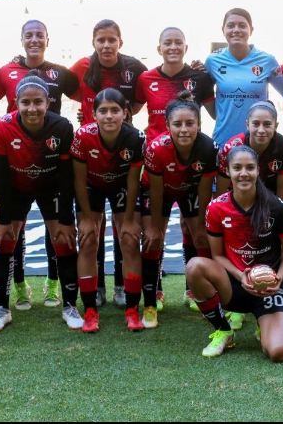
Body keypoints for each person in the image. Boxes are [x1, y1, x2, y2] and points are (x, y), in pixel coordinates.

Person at [0, 19, 80, 311]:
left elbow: (89, 94)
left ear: (47, 39)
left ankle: (54, 286)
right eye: (28, 35)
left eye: (39, 35)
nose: (34, 40)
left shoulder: (60, 74)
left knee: (59, 234)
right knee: (11, 234)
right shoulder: (5, 72)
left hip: (50, 161)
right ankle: (18, 288)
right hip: (16, 159)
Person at [186, 145, 283, 361]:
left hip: (268, 288)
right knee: (194, 267)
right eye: (237, 168)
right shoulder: (216, 208)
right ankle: (224, 330)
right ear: (228, 171)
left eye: (249, 168)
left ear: (258, 171)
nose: (243, 173)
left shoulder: (277, 207)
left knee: (279, 353)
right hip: (234, 284)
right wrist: (241, 276)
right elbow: (217, 256)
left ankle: (266, 323)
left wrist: (279, 278)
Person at [133, 27, 215, 309]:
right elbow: (127, 109)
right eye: (167, 42)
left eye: (178, 42)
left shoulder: (198, 78)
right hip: (157, 164)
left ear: (186, 46)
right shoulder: (145, 78)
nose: (173, 47)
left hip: (190, 163)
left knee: (194, 230)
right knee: (155, 230)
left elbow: (216, 111)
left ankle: (194, 289)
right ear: (159, 48)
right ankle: (154, 292)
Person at [70, 19, 147, 308]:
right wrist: (91, 118)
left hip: (121, 150)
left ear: (120, 42)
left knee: (125, 232)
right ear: (93, 42)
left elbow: (139, 100)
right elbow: (69, 90)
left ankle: (119, 286)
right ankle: (97, 286)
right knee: (91, 231)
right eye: (100, 40)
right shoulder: (81, 67)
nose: (106, 45)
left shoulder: (134, 68)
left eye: (111, 40)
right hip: (92, 152)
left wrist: (120, 117)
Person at [71, 88, 146, 333]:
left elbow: (133, 180)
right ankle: (90, 309)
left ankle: (133, 309)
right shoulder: (83, 136)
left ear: (125, 113)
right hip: (92, 187)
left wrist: (129, 220)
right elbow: (79, 181)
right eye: (103, 111)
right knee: (89, 240)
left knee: (130, 240)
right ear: (94, 114)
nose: (109, 116)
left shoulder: (135, 137)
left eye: (115, 110)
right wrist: (85, 218)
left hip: (122, 187)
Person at [139, 97, 218, 328]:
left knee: (201, 236)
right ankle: (152, 302)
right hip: (159, 191)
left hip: (189, 189)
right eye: (178, 124)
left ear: (199, 124)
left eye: (190, 123)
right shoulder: (156, 149)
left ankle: (200, 294)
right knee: (153, 239)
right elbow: (155, 190)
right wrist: (154, 226)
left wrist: (202, 222)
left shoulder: (207, 147)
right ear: (168, 125)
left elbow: (205, 189)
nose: (184, 129)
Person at [204, 8, 283, 148]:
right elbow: (201, 91)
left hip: (258, 143)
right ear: (223, 29)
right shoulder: (212, 61)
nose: (236, 30)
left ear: (251, 30)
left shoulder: (267, 61)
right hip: (223, 142)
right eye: (231, 25)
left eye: (242, 25)